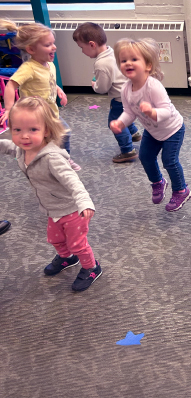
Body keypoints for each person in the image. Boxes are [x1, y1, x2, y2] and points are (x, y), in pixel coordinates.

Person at [0, 97, 101, 292]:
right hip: (51, 209)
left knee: (78, 244)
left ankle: (91, 268)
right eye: (17, 130)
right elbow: (9, 147)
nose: (24, 136)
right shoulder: (23, 150)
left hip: (73, 211)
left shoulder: (52, 158)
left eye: (33, 130)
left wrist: (84, 202)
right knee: (55, 239)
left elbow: (73, 181)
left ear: (46, 130)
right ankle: (66, 257)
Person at [109, 38, 191, 212]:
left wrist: (152, 112)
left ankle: (181, 190)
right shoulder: (125, 89)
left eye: (134, 59)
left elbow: (166, 111)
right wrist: (121, 123)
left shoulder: (153, 87)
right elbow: (129, 112)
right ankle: (158, 182)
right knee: (145, 157)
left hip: (172, 130)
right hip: (152, 131)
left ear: (148, 65)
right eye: (123, 61)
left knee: (169, 161)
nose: (128, 63)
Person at [0, 19, 81, 171]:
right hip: (35, 115)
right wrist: (9, 110)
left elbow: (48, 80)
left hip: (50, 111)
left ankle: (64, 160)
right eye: (48, 45)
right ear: (31, 49)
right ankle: (39, 162)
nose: (54, 47)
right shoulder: (29, 68)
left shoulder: (49, 64)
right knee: (43, 141)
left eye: (53, 43)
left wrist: (58, 90)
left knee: (62, 135)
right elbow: (11, 85)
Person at [72, 22, 141, 163]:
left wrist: (94, 85)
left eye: (81, 48)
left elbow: (102, 88)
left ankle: (127, 150)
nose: (82, 52)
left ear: (92, 44)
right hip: (132, 94)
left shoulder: (101, 64)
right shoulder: (114, 52)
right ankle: (133, 133)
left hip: (120, 99)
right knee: (125, 115)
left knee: (115, 121)